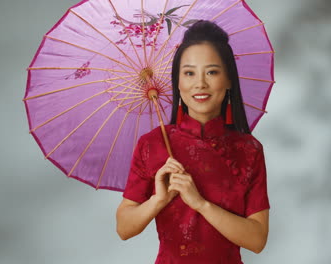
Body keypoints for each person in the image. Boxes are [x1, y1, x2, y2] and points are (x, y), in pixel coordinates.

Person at [116, 20, 270, 263]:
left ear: (229, 79)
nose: (200, 83)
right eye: (189, 73)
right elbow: (124, 227)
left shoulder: (249, 150)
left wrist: (200, 203)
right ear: (177, 81)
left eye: (212, 72)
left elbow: (257, 239)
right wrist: (158, 200)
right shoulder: (153, 144)